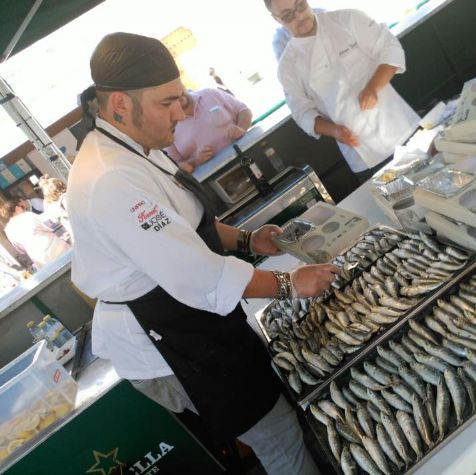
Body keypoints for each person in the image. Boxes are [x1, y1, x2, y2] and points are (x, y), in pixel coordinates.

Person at [69, 32, 337, 475]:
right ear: (120, 105)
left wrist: (249, 240)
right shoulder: (108, 178)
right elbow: (196, 274)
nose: (182, 113)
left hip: (192, 319)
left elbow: (189, 223)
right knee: (276, 433)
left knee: (285, 411)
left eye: (182, 99)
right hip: (167, 342)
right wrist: (290, 283)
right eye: (167, 103)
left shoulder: (137, 145)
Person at [267, 0, 421, 183]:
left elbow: (390, 48)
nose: (299, 16)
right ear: (277, 19)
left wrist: (374, 87)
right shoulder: (287, 67)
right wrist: (334, 130)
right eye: (288, 15)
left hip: (400, 128)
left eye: (300, 6)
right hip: (362, 155)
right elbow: (302, 113)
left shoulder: (348, 19)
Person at [164, 88, 252, 173]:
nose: (178, 95)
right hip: (216, 179)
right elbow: (174, 165)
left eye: (178, 89)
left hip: (248, 156)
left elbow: (244, 110)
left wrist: (241, 128)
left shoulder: (209, 93)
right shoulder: (167, 125)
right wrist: (195, 161)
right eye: (172, 96)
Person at [1, 198, 71, 269]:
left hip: (38, 257)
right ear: (17, 208)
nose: (23, 209)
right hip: (52, 246)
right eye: (21, 207)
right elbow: (47, 226)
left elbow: (20, 249)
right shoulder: (27, 215)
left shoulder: (8, 230)